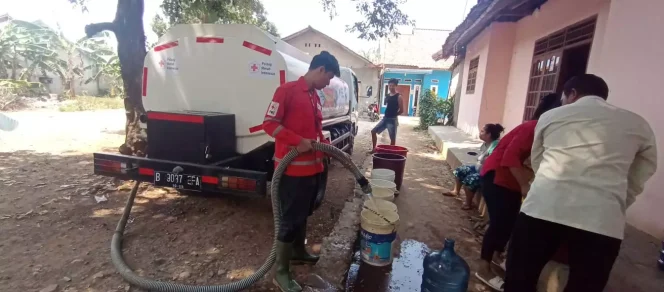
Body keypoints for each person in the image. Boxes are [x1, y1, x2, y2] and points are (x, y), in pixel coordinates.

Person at [504, 74, 657, 292]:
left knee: (520, 278)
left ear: (572, 94)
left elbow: (538, 159)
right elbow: (644, 169)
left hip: (542, 208)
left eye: (564, 98)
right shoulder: (638, 123)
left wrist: (548, 185)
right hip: (603, 220)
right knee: (585, 285)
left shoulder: (551, 117)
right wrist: (618, 199)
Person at [261, 51, 340, 292]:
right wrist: (295, 140)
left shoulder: (314, 96)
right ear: (321, 70)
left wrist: (323, 143)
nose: (328, 83)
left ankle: (298, 251)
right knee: (289, 219)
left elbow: (314, 129)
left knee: (304, 213)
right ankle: (281, 273)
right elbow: (269, 123)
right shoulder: (287, 91)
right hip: (292, 172)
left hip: (312, 169)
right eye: (328, 78)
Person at [474, 93, 562, 291]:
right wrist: (524, 185)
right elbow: (509, 158)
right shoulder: (533, 128)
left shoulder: (548, 132)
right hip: (496, 178)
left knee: (509, 222)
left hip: (511, 182)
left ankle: (496, 256)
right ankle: (484, 268)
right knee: (498, 224)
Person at [443, 123, 504, 210]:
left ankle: (468, 203)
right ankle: (455, 191)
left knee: (469, 180)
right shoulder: (485, 144)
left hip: (487, 173)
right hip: (478, 168)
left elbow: (489, 160)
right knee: (459, 170)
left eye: (482, 131)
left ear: (489, 134)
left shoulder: (495, 144)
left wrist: (482, 160)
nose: (480, 133)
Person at [371, 78, 404, 150]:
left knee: (392, 139)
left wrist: (394, 115)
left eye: (392, 86)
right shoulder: (388, 95)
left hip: (392, 120)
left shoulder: (399, 96)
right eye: (389, 85)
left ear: (396, 86)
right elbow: (388, 106)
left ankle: (391, 154)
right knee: (373, 131)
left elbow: (401, 110)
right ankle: (374, 149)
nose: (391, 87)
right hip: (385, 118)